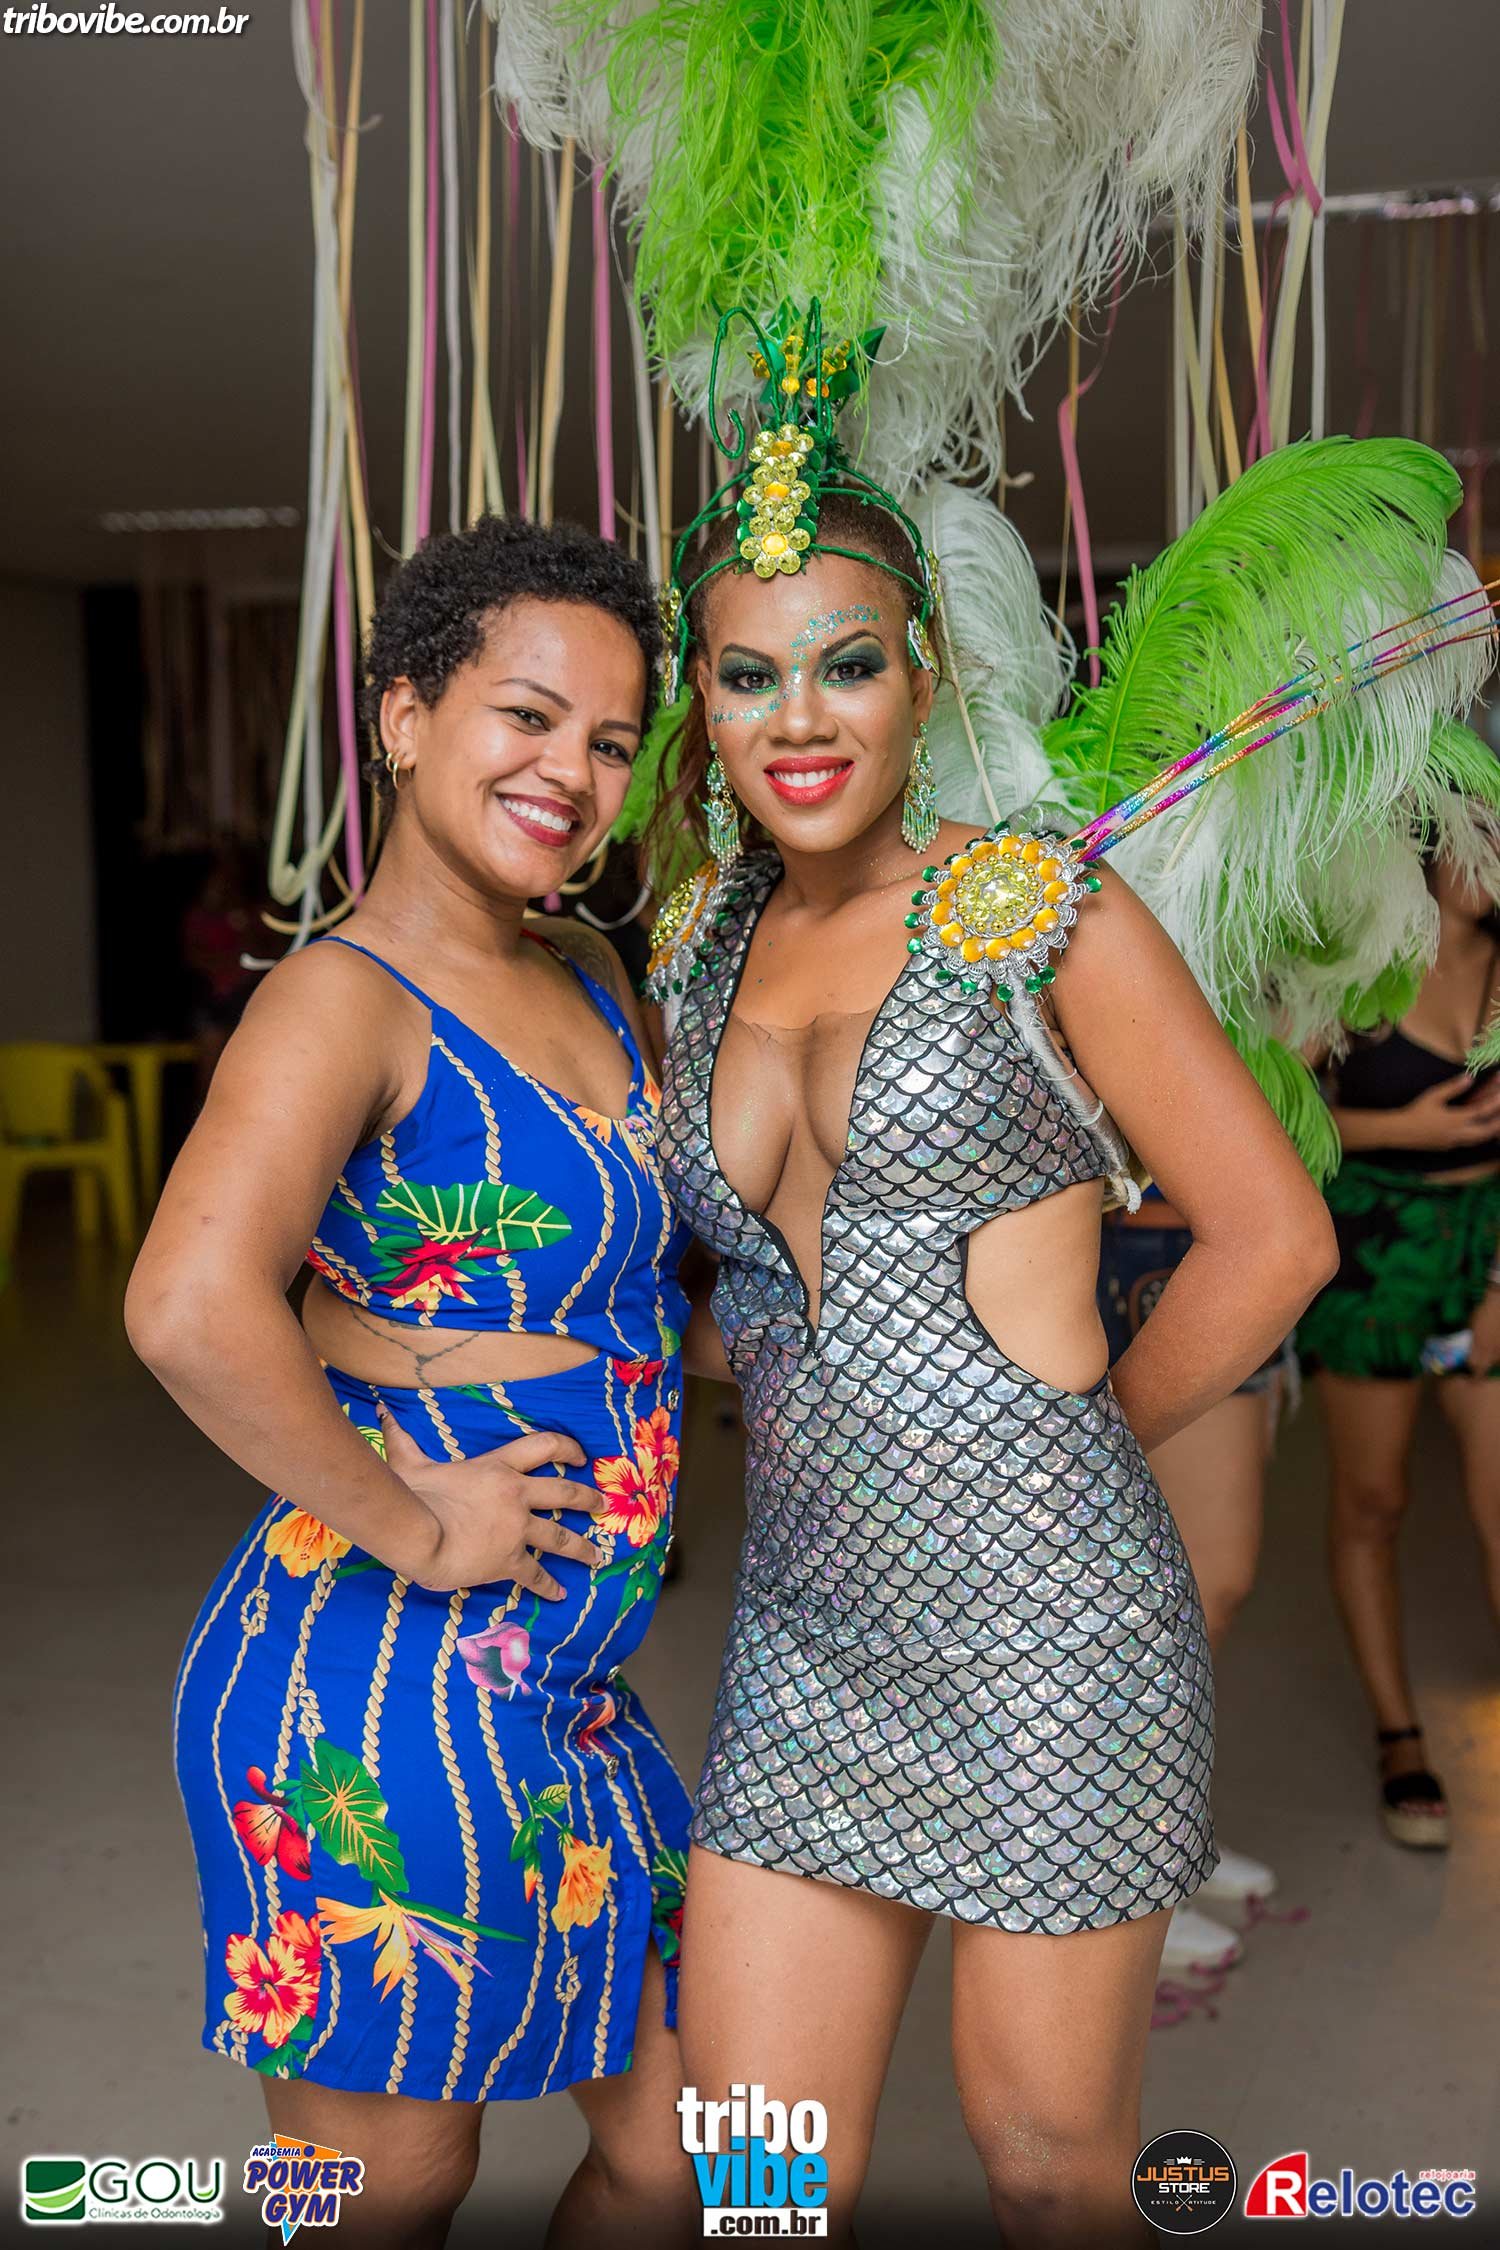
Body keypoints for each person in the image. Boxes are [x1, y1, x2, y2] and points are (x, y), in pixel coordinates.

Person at [647, 468, 1338, 2244]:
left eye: (848, 663)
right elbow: (737, 1289)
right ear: (702, 702)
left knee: (1046, 2168)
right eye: (748, 676)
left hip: (1053, 1643)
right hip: (805, 1641)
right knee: (757, 2180)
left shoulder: (1038, 908)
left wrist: (1080, 1442)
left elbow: (1274, 1237)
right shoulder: (699, 947)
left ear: (928, 673)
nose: (800, 717)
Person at [126, 516, 699, 2250]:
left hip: (572, 1678)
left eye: (611, 740)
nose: (572, 773)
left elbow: (582, 1280)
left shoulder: (587, 968)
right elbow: (189, 1303)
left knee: (696, 2151)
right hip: (371, 1681)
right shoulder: (339, 1000)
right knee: (395, 2184)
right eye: (527, 716)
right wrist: (418, 1522)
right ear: (400, 717)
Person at [1298, 820, 1500, 1852]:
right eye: (1477, 830)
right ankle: (1399, 1734)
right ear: (1430, 841)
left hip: (1487, 1249)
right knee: (1375, 1500)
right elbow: (1276, 1113)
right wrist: (1400, 1130)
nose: (1491, 853)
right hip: (1374, 1248)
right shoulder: (1358, 964)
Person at [1097, 1197, 1290, 1972]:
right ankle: (1125, 1870)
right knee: (1157, 1601)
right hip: (1149, 1244)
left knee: (1209, 1588)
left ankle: (1164, 1838)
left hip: (1215, 1242)